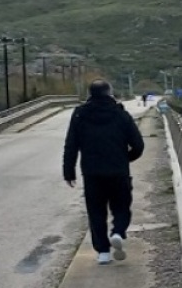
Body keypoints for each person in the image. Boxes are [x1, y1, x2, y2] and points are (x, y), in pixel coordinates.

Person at [62, 79, 145, 265]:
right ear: (109, 92)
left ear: (90, 94)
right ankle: (118, 232)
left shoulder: (79, 115)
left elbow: (71, 145)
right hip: (118, 171)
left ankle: (103, 252)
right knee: (122, 207)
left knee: (96, 212)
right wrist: (126, 159)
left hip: (92, 173)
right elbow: (138, 144)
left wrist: (69, 172)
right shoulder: (120, 114)